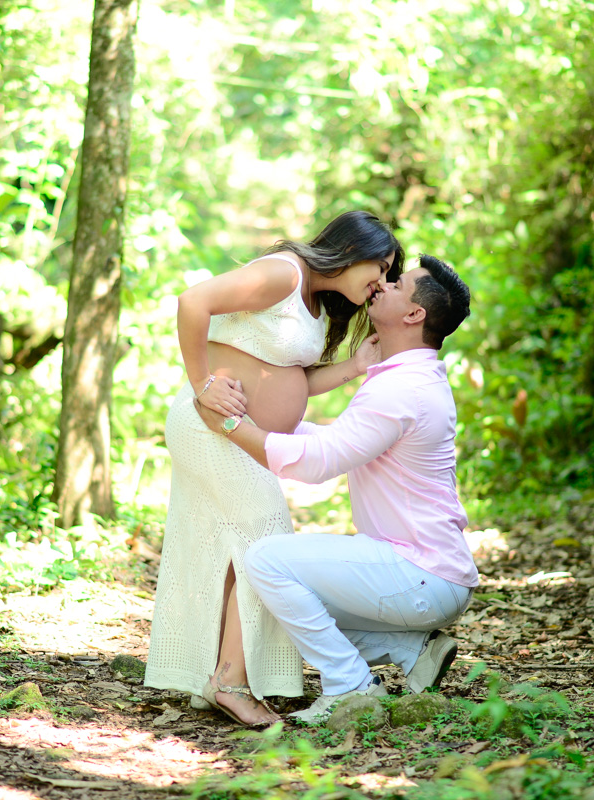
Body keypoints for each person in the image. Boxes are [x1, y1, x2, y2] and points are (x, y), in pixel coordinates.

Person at [144, 211, 405, 726]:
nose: (382, 282)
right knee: (269, 543)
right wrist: (202, 384)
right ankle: (230, 682)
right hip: (210, 427)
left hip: (235, 437)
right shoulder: (284, 273)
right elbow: (193, 300)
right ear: (353, 249)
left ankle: (213, 676)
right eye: (381, 266)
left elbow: (293, 379)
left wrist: (353, 367)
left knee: (233, 550)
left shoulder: (313, 299)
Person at [194, 254, 477, 723]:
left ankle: (350, 687)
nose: (382, 285)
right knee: (288, 599)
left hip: (418, 573)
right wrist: (263, 423)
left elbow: (320, 463)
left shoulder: (401, 391)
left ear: (414, 315)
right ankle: (411, 649)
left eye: (398, 284)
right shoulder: (407, 379)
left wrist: (230, 423)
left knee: (266, 561)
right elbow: (333, 442)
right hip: (423, 571)